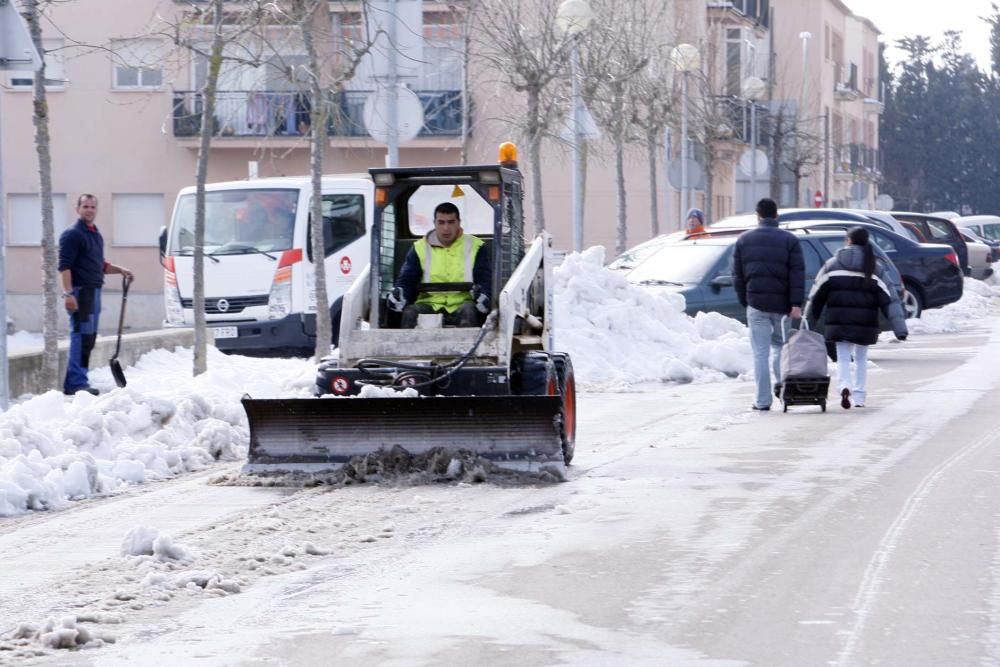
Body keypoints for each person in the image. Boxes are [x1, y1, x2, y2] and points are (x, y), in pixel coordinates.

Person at [805, 226, 908, 409]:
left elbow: (816, 297)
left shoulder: (832, 265)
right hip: (865, 322)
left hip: (839, 320)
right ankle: (859, 396)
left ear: (848, 241)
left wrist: (808, 324)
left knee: (843, 356)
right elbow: (890, 300)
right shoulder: (874, 267)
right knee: (861, 358)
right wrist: (900, 328)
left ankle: (845, 386)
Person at [732, 197, 805, 411]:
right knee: (782, 349)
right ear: (776, 216)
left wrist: (745, 299)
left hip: (756, 305)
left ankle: (763, 400)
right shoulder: (790, 240)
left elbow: (737, 275)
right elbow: (797, 274)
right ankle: (784, 392)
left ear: (758, 216)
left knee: (760, 353)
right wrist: (795, 303)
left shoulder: (744, 240)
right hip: (783, 307)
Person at [58, 194, 134, 396]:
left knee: (88, 339)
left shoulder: (95, 235)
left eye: (93, 206)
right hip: (80, 292)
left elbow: (100, 265)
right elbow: (64, 267)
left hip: (94, 292)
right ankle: (75, 383)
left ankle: (78, 380)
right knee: (80, 336)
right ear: (78, 209)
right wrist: (68, 294)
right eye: (85, 206)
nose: (89, 209)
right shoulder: (72, 235)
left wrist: (120, 270)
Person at [389, 202, 491, 328]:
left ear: (459, 222)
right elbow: (407, 280)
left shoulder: (477, 247)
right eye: (441, 222)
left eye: (451, 222)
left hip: (463, 303)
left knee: (469, 312)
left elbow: (484, 279)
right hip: (429, 303)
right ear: (434, 223)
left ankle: (468, 348)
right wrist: (400, 295)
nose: (446, 228)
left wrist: (483, 295)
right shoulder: (419, 248)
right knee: (410, 313)